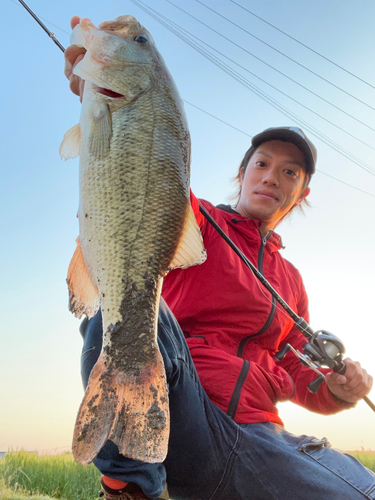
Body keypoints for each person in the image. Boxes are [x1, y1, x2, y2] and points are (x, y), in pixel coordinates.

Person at [65, 17, 374, 500]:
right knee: (125, 306)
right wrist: (103, 100)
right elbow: (145, 172)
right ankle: (129, 487)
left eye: (289, 171)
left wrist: (339, 391)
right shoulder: (198, 219)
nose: (272, 177)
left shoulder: (290, 282)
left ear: (301, 193)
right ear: (243, 172)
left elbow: (297, 373)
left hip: (261, 436)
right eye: (263, 164)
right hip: (185, 411)